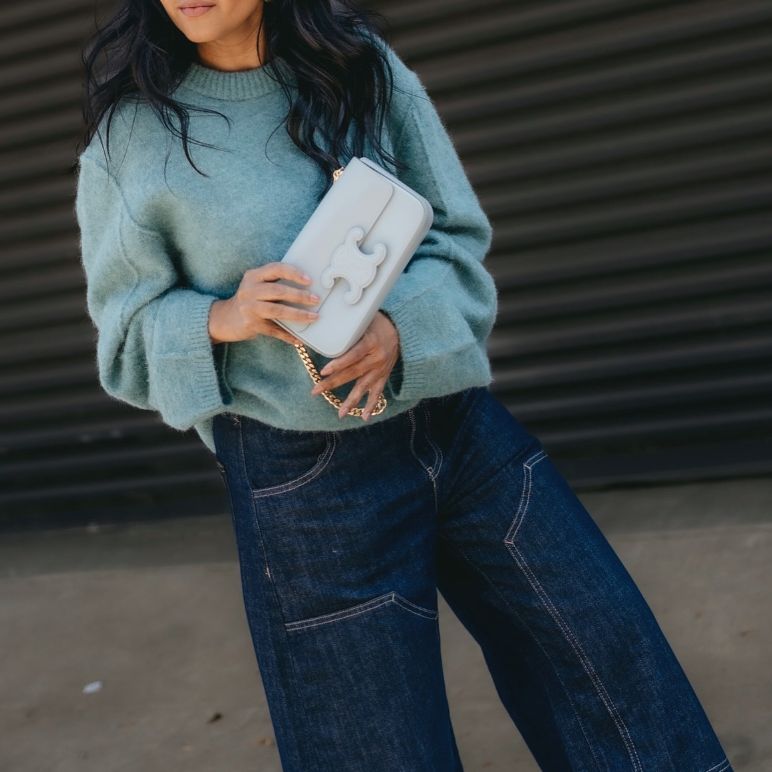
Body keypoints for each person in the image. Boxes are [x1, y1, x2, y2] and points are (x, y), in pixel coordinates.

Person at [74, 1, 733, 770]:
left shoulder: (361, 68)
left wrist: (400, 331)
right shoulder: (131, 143)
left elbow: (456, 233)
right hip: (310, 484)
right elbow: (124, 338)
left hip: (459, 430)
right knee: (378, 750)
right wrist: (224, 315)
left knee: (621, 684)